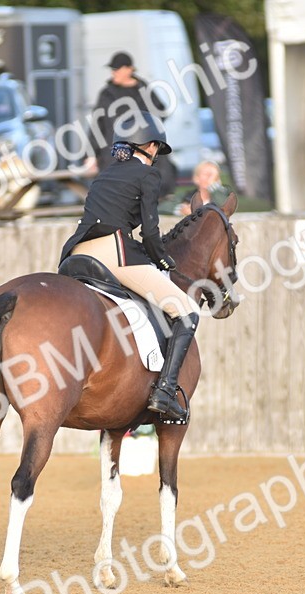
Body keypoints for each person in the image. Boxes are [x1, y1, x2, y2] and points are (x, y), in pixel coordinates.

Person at [58, 112, 197, 422]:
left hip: (76, 253)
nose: (158, 157)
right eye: (158, 150)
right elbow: (149, 232)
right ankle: (165, 392)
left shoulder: (105, 174)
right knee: (186, 311)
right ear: (149, 145)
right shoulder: (148, 176)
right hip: (114, 252)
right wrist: (162, 259)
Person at [91, 52, 175, 195]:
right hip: (113, 154)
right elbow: (97, 125)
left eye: (116, 69)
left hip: (143, 154)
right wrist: (92, 154)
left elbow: (160, 115)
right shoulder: (106, 94)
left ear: (129, 69)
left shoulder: (144, 91)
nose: (113, 73)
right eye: (113, 70)